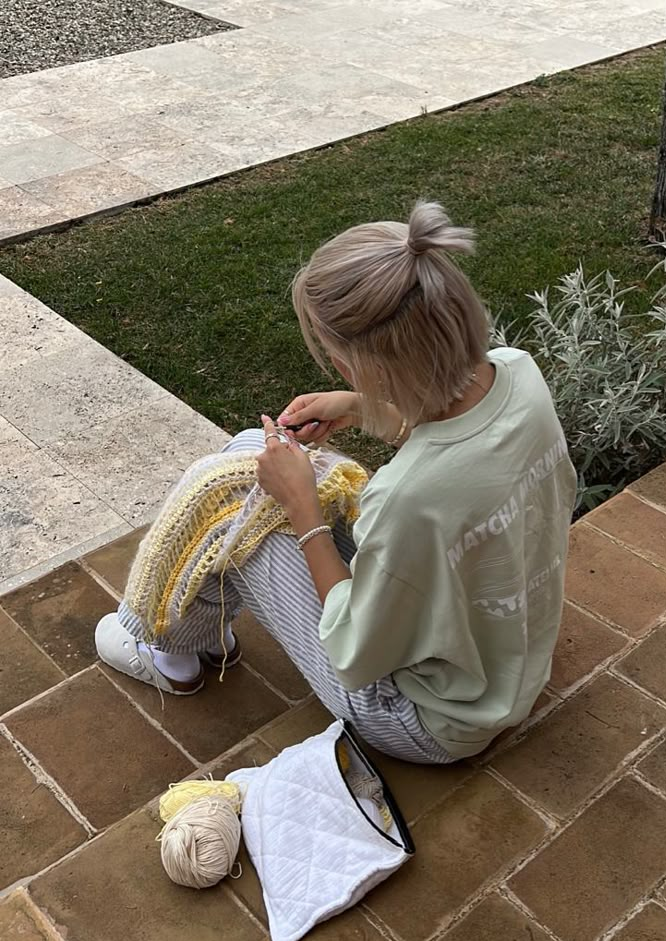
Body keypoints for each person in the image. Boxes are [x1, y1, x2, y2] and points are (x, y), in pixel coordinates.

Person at [96, 201, 576, 764]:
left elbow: (353, 650)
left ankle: (167, 650)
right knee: (252, 455)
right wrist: (360, 406)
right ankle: (193, 632)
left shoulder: (407, 499)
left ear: (357, 362)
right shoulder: (517, 370)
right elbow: (468, 452)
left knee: (227, 493)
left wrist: (303, 508)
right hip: (506, 662)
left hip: (426, 718)